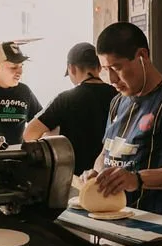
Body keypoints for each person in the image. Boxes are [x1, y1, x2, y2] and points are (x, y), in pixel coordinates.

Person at [82, 23, 162, 217]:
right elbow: (106, 153)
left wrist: (137, 179)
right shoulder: (117, 102)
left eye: (117, 67)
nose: (112, 79)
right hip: (112, 219)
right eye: (106, 70)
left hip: (153, 228)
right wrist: (97, 175)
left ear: (142, 56)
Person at [22, 42, 116, 176]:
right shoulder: (118, 97)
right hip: (109, 178)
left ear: (71, 69)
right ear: (100, 67)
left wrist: (52, 136)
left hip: (74, 180)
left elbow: (29, 134)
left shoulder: (65, 99)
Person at [0, 41, 41, 148]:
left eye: (21, 66)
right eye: (14, 67)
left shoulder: (25, 91)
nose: (20, 72)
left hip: (19, 156)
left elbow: (41, 123)